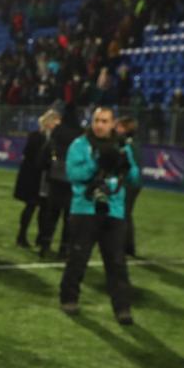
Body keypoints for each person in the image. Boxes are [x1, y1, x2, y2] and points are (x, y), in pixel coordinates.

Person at [59, 107, 140, 325]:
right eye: (96, 120)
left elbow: (134, 178)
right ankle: (69, 298)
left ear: (112, 123)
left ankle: (122, 308)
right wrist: (97, 163)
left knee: (116, 262)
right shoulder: (80, 145)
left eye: (104, 121)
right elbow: (74, 174)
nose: (99, 125)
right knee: (78, 258)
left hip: (113, 211)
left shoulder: (122, 145)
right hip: (85, 209)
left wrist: (125, 163)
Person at [36, 103, 80, 258]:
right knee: (68, 218)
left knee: (51, 215)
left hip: (55, 178)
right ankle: (64, 248)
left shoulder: (57, 132)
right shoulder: (79, 134)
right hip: (72, 179)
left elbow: (46, 153)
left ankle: (45, 244)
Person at [13, 109, 58, 248]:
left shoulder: (55, 139)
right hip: (34, 178)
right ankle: (21, 236)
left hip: (46, 179)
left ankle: (41, 238)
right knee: (31, 207)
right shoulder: (36, 136)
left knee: (45, 210)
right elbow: (29, 156)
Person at [115, 116, 142, 256]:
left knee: (124, 214)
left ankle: (126, 247)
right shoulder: (131, 143)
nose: (116, 128)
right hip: (132, 183)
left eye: (119, 126)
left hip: (130, 184)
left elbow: (133, 167)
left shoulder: (129, 144)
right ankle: (128, 247)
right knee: (126, 214)